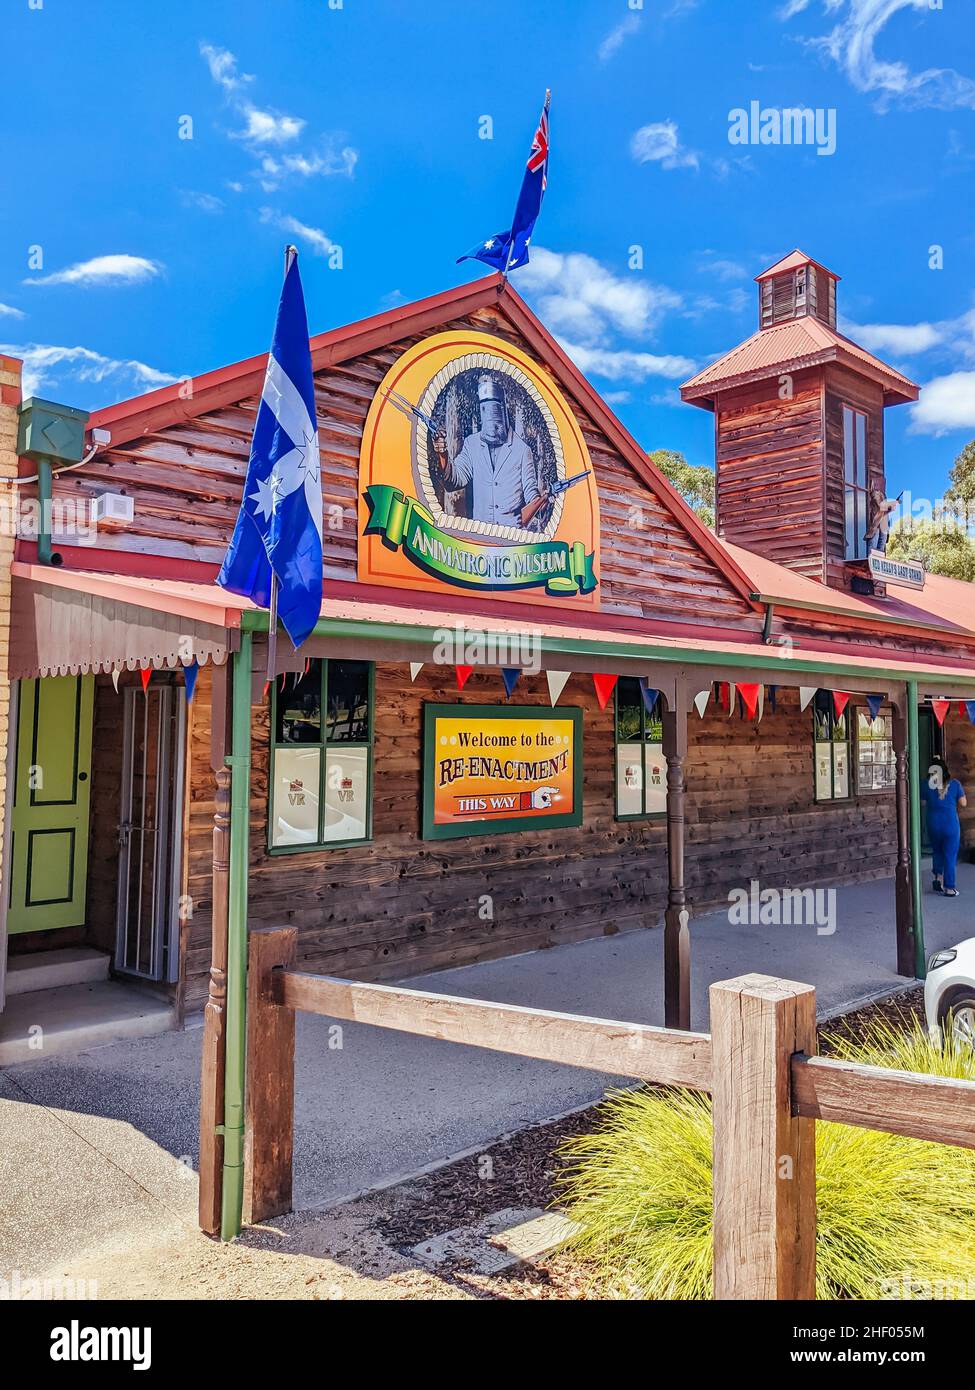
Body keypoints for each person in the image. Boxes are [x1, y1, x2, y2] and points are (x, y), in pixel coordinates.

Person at [433, 374, 548, 528]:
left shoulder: (522, 450)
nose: (491, 419)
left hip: (511, 539)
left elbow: (531, 492)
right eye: (485, 409)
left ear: (503, 411)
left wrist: (543, 502)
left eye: (494, 410)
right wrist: (443, 454)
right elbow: (455, 480)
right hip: (480, 536)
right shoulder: (472, 443)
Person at [922, 757, 967, 897]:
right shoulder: (955, 784)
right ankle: (949, 888)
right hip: (950, 824)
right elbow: (963, 803)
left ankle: (938, 879)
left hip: (933, 823)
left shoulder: (926, 785)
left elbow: (922, 803)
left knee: (937, 851)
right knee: (950, 855)